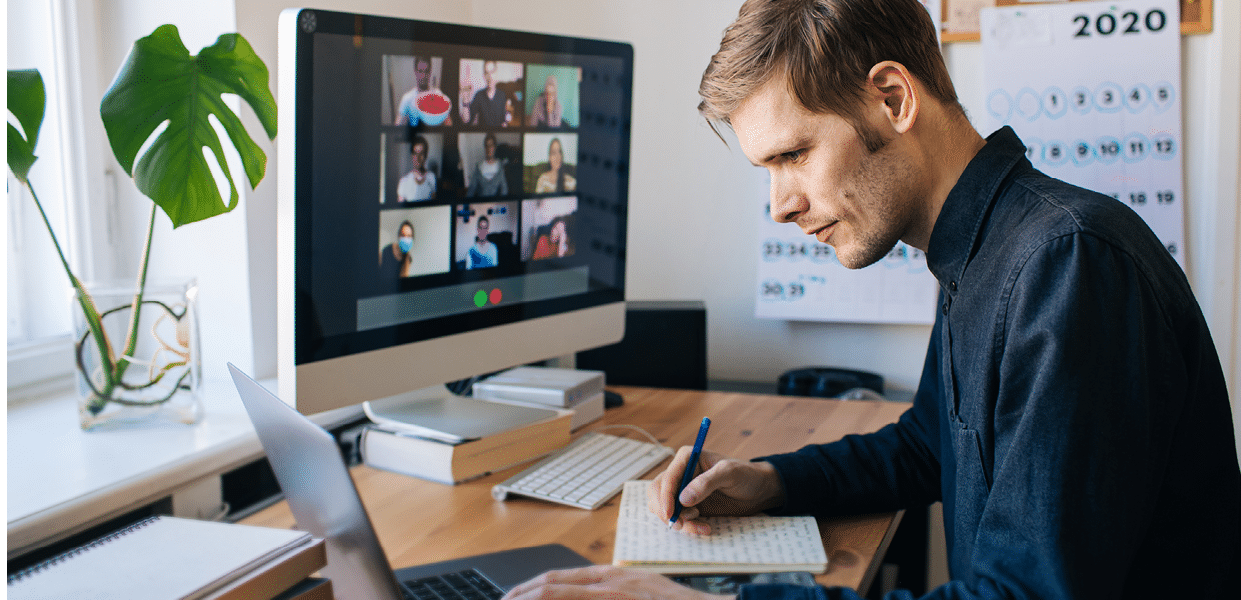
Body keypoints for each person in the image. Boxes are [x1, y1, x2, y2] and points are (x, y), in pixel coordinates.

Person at [502, 1, 1240, 600]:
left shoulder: (1064, 263)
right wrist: (774, 482)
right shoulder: (983, 249)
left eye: (791, 155)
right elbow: (931, 444)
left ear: (892, 98)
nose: (779, 206)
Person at [469, 61, 508, 127]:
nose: (489, 77)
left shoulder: (502, 95)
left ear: (496, 74)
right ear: (484, 75)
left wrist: (505, 123)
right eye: (486, 73)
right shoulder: (478, 95)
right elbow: (469, 120)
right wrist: (465, 103)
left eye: (492, 72)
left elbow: (503, 118)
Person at [397, 136, 436, 202]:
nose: (417, 158)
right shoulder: (403, 182)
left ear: (425, 155)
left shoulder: (431, 177)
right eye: (415, 153)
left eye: (421, 153)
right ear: (411, 155)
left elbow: (434, 203)